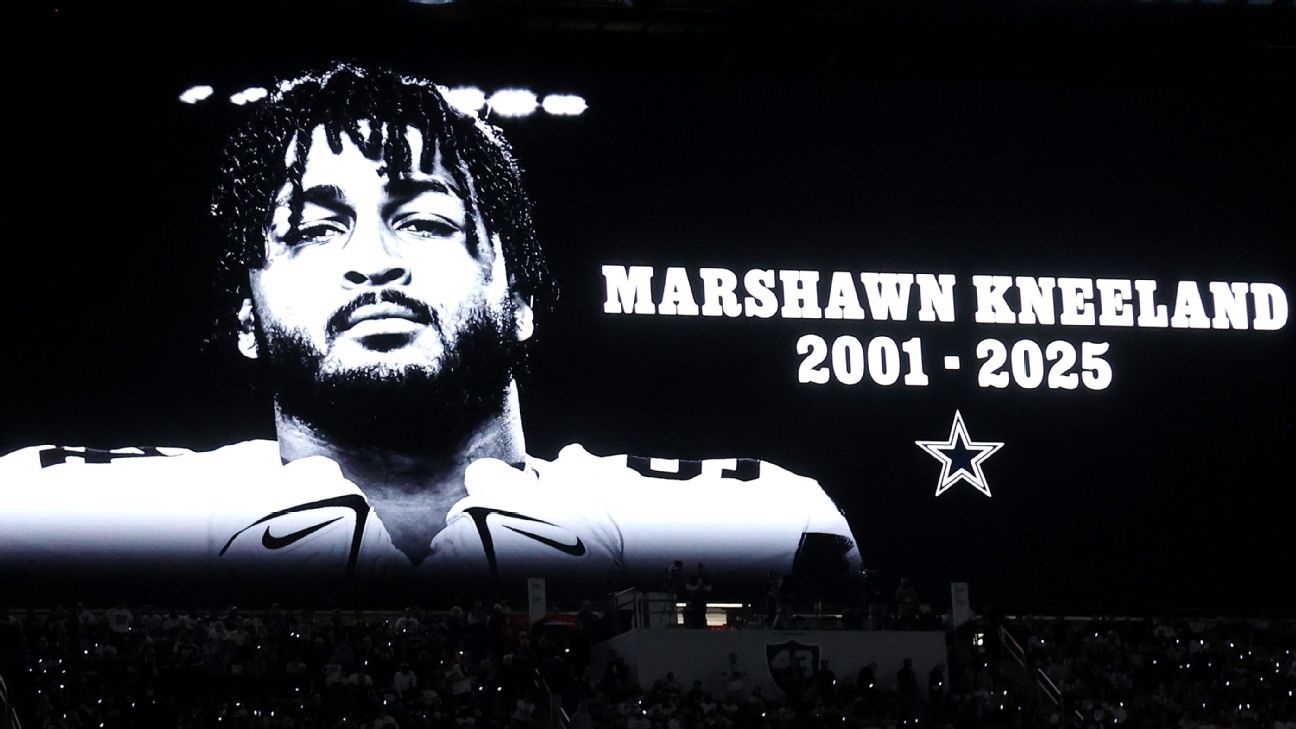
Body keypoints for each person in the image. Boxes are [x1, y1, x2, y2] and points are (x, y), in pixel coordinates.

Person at [0, 61, 860, 595]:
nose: (374, 263)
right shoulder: (51, 512)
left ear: (520, 295)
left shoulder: (758, 523)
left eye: (425, 220)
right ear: (245, 319)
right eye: (314, 230)